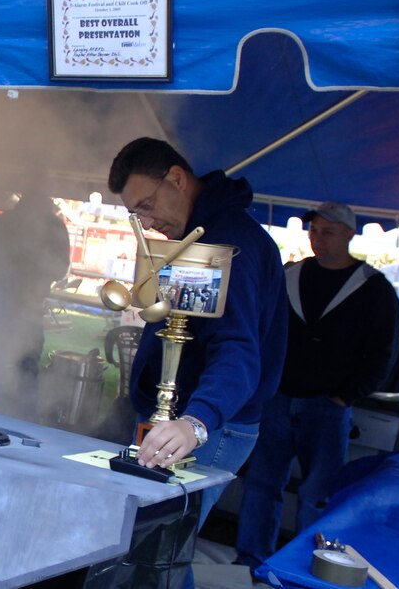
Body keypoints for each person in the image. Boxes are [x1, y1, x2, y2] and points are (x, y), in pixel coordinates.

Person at [107, 138, 289, 585]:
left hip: (212, 423)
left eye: (148, 205)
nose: (148, 221)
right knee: (157, 547)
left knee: (157, 549)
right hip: (173, 416)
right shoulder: (198, 236)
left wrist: (196, 422)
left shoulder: (233, 245)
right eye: (137, 215)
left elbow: (239, 352)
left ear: (176, 178)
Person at [235, 201, 399, 573]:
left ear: (348, 234)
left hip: (328, 406)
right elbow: (262, 328)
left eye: (327, 232)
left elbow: (382, 353)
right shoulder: (291, 275)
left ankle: (310, 568)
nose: (318, 239)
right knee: (262, 484)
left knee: (317, 495)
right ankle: (252, 560)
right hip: (278, 398)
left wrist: (346, 396)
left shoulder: (372, 289)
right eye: (314, 231)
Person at [0, 189, 69, 414]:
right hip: (8, 301)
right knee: (17, 359)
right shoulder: (52, 225)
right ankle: (20, 410)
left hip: (17, 303)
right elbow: (60, 268)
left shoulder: (7, 221)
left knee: (5, 357)